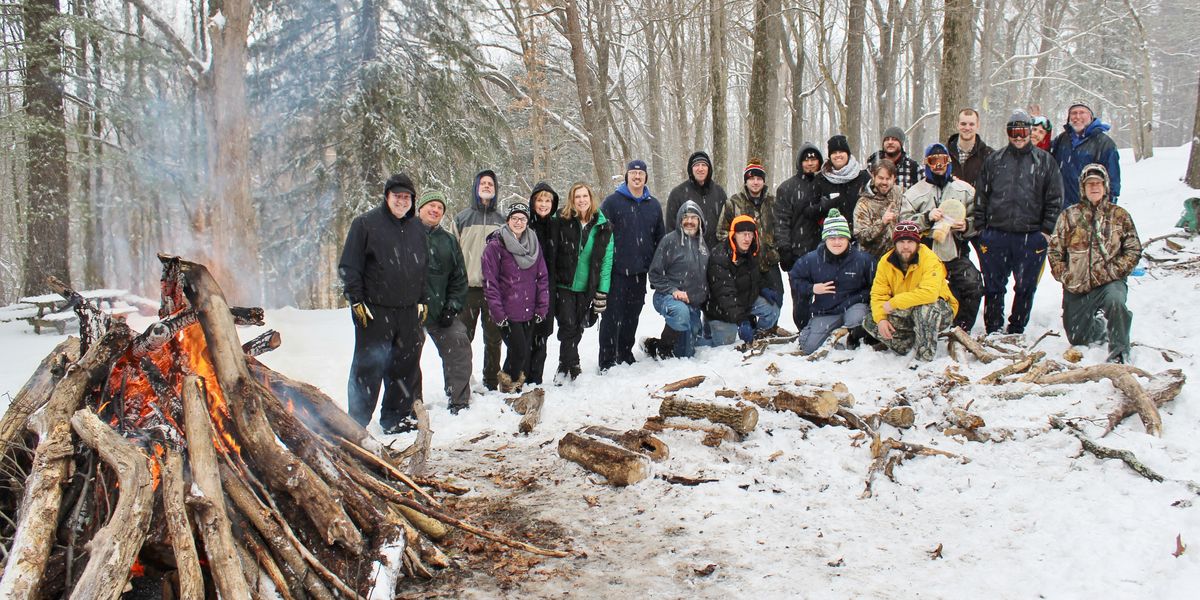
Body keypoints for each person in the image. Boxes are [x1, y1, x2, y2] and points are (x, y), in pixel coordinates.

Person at [338, 173, 427, 433]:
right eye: (397, 196)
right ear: (387, 197)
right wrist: (356, 300)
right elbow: (349, 266)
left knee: (405, 366)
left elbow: (423, 267)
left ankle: (395, 418)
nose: (402, 201)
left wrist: (422, 299)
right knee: (369, 366)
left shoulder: (417, 228)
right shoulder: (365, 224)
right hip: (375, 311)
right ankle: (357, 421)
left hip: (409, 311)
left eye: (406, 197)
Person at [974, 110, 1064, 335]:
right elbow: (981, 196)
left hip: (1030, 235)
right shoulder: (995, 160)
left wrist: (1045, 231)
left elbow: (1055, 198)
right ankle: (993, 327)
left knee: (1025, 286)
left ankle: (1017, 327)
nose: (1018, 136)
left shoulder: (1044, 161)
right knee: (994, 286)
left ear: (1030, 131)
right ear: (1008, 133)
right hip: (996, 234)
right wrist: (981, 229)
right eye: (1013, 131)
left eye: (1023, 131)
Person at [1047, 164, 1142, 364]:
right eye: (1090, 184)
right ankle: (1099, 327)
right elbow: (1055, 251)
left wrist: (1115, 271)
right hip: (1078, 284)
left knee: (1116, 301)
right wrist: (1066, 276)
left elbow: (1133, 249)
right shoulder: (1069, 216)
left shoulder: (1119, 215)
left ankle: (1119, 351)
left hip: (1110, 282)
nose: (1094, 187)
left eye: (1098, 183)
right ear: (1083, 188)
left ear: (1105, 186)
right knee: (1077, 337)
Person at [901, 143, 983, 332]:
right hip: (924, 256)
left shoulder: (965, 190)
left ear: (949, 162)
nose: (938, 165)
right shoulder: (914, 193)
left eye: (943, 161)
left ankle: (961, 328)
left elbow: (979, 218)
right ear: (926, 163)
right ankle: (921, 328)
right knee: (922, 292)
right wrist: (926, 218)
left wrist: (967, 226)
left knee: (973, 285)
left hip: (955, 252)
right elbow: (903, 225)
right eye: (933, 161)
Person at [599, 160, 665, 371]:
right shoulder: (612, 202)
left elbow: (659, 239)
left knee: (632, 315)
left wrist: (656, 271)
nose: (637, 177)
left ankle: (625, 352)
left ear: (646, 177)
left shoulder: (653, 205)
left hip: (640, 273)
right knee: (611, 316)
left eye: (641, 174)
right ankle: (607, 359)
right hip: (616, 271)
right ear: (626, 176)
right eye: (633, 173)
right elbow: (601, 236)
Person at [863, 221, 959, 361]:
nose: (906, 246)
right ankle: (908, 346)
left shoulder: (930, 259)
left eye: (910, 241)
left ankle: (924, 357)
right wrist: (881, 319)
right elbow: (879, 294)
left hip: (938, 308)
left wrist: (895, 302)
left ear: (917, 243)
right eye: (901, 242)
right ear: (895, 244)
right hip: (907, 309)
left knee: (925, 310)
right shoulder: (885, 262)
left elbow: (930, 294)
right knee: (871, 321)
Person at [481, 202, 550, 393]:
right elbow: (490, 282)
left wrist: (542, 306)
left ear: (527, 221)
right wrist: (498, 312)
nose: (518, 222)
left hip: (529, 309)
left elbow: (542, 277)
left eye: (522, 218)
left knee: (519, 352)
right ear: (508, 220)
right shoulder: (495, 246)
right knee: (519, 351)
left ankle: (509, 386)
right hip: (507, 311)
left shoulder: (534, 244)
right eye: (514, 218)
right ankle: (508, 385)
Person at [415, 190, 472, 414]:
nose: (435, 210)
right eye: (431, 205)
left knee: (459, 344)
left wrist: (452, 307)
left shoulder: (448, 240)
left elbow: (459, 278)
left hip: (441, 312)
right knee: (405, 357)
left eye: (440, 207)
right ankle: (412, 403)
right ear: (420, 208)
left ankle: (458, 399)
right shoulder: (406, 235)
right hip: (411, 313)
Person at [790, 209, 875, 355]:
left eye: (841, 237)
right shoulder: (811, 260)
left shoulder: (863, 260)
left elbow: (876, 287)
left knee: (858, 317)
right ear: (825, 239)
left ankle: (852, 335)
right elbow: (795, 278)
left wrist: (858, 299)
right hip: (826, 311)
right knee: (808, 348)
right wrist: (812, 288)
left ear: (848, 238)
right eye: (832, 238)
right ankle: (829, 333)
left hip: (854, 308)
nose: (837, 242)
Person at [450, 170, 505, 390]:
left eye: (490, 183)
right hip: (467, 289)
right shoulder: (462, 218)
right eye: (483, 183)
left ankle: (491, 381)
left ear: (495, 189)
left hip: (493, 290)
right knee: (462, 339)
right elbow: (452, 255)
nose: (487, 186)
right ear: (476, 187)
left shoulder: (502, 221)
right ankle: (461, 381)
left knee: (493, 339)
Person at [553, 182, 613, 381]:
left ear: (591, 198)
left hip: (587, 285)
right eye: (577, 197)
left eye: (584, 196)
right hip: (564, 284)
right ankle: (574, 364)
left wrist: (602, 291)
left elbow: (606, 262)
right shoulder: (562, 219)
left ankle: (564, 363)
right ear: (572, 199)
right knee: (568, 325)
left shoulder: (603, 226)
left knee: (578, 326)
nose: (581, 200)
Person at [704, 215, 784, 346]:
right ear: (734, 235)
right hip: (721, 310)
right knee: (723, 346)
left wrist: (763, 288)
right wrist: (742, 320)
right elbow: (726, 295)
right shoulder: (720, 256)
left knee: (772, 310)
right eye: (742, 234)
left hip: (744, 301)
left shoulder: (751, 252)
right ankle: (705, 333)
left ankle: (758, 337)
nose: (747, 238)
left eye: (750, 234)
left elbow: (754, 276)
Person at [645, 200, 709, 359]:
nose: (689, 221)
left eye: (694, 218)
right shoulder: (670, 240)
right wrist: (673, 291)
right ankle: (662, 350)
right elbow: (654, 274)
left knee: (685, 353)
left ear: (700, 221)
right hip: (666, 296)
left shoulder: (703, 245)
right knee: (680, 314)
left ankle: (654, 344)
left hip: (691, 301)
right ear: (680, 219)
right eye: (685, 217)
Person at [775, 142, 826, 331]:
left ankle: (821, 329)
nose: (810, 163)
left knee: (824, 294)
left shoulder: (825, 184)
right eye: (806, 159)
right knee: (801, 297)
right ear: (799, 162)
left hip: (824, 251)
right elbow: (781, 221)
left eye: (814, 159)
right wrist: (784, 249)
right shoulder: (787, 188)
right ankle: (803, 331)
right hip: (798, 252)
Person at [1052, 101, 1121, 209]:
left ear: (1091, 116)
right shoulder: (1062, 139)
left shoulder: (1104, 143)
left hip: (1091, 208)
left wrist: (1108, 206)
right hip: (1063, 208)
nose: (1077, 116)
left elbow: (1113, 180)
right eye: (1074, 113)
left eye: (1082, 112)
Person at [718, 160, 780, 272]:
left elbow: (781, 230)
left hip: (769, 265)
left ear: (763, 181)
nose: (755, 182)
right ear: (746, 181)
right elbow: (722, 233)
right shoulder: (733, 203)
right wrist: (738, 250)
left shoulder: (773, 203)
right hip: (743, 266)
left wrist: (774, 250)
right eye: (751, 179)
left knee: (775, 290)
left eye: (759, 179)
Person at [526, 182, 559, 385]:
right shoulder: (525, 224)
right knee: (525, 335)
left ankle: (536, 378)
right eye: (540, 200)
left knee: (542, 336)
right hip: (525, 288)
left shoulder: (558, 226)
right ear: (533, 202)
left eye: (548, 200)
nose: (544, 204)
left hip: (549, 288)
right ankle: (520, 376)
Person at [665, 151, 727, 250]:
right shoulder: (677, 194)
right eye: (696, 165)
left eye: (704, 165)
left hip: (714, 254)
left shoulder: (719, 193)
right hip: (687, 254)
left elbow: (725, 226)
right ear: (691, 169)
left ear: (709, 169)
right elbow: (671, 229)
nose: (700, 169)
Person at [816, 135, 870, 233]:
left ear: (848, 154)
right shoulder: (820, 179)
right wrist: (825, 205)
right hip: (831, 236)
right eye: (834, 152)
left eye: (841, 152)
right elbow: (812, 209)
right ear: (830, 156)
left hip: (859, 234)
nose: (838, 155)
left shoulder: (863, 177)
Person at [853, 159, 904, 258]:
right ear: (873, 176)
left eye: (888, 178)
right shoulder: (864, 203)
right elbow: (861, 237)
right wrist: (882, 223)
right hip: (874, 259)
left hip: (898, 258)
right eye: (881, 178)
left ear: (894, 179)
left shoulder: (899, 193)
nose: (884, 182)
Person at [945, 108, 993, 187]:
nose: (967, 128)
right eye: (963, 124)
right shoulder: (944, 154)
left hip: (978, 199)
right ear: (957, 125)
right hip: (950, 199)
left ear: (977, 125)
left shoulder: (989, 156)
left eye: (971, 124)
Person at [866, 126, 921, 191]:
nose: (890, 142)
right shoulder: (872, 165)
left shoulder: (914, 168)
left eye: (894, 139)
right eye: (887, 139)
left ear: (901, 143)